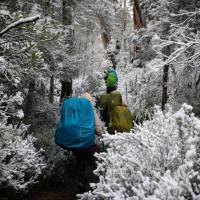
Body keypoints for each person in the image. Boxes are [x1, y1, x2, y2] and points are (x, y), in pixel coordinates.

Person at [98, 69, 133, 134]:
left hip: (109, 87)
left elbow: (106, 79)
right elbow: (116, 80)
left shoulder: (109, 74)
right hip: (113, 86)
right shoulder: (114, 74)